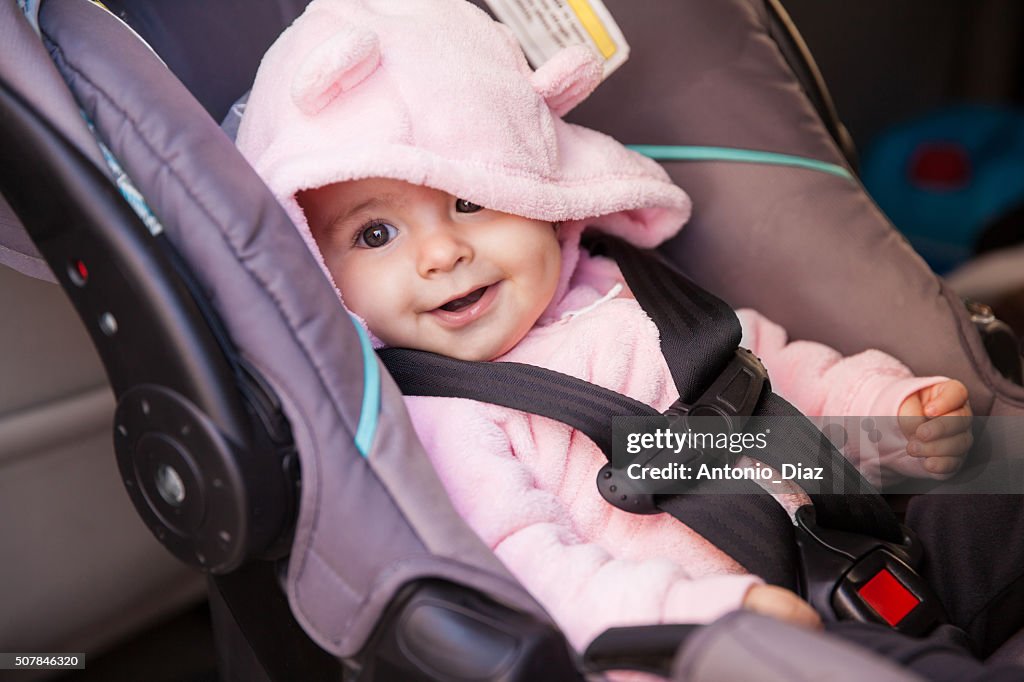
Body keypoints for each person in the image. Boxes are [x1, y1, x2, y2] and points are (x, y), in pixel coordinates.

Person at [237, 0, 1021, 677]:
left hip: (851, 531)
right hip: (719, 640)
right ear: (319, 271)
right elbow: (531, 570)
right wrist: (705, 618)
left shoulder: (631, 291)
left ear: (541, 196)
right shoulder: (444, 418)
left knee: (998, 476)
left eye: (473, 200)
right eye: (376, 232)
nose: (442, 253)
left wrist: (887, 410)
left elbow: (772, 376)